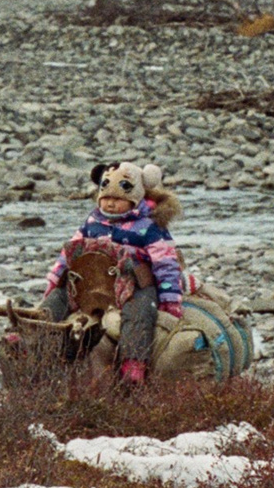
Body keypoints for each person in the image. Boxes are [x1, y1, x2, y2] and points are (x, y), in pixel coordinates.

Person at [40, 160, 182, 387]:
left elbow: (166, 264)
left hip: (133, 284)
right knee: (58, 298)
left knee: (140, 312)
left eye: (118, 199)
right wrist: (55, 280)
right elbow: (69, 253)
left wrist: (169, 299)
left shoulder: (148, 226)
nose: (111, 203)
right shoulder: (92, 222)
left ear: (134, 199)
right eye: (106, 197)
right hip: (91, 283)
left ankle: (133, 362)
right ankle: (33, 336)